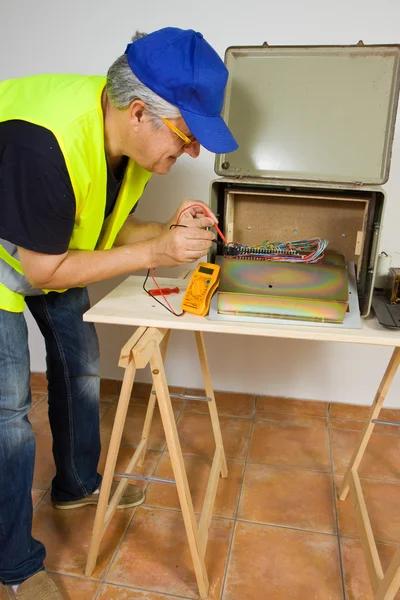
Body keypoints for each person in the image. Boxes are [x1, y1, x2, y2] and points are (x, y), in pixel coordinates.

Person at [0, 27, 238, 599]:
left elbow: (96, 215)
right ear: (140, 113)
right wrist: (156, 253)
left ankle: (78, 484)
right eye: (186, 136)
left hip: (43, 244)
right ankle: (14, 567)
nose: (193, 153)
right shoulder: (44, 142)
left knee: (81, 364)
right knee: (8, 417)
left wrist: (166, 233)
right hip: (21, 257)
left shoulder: (122, 139)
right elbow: (42, 270)